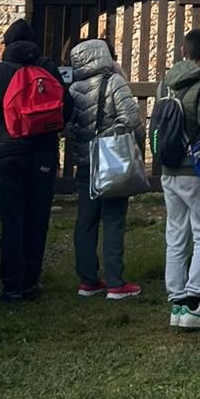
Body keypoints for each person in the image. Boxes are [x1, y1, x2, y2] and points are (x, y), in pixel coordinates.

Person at [0, 19, 71, 303]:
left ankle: (11, 285)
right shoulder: (49, 69)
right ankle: (31, 280)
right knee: (38, 216)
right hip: (43, 152)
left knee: (12, 217)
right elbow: (66, 109)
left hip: (8, 152)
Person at [160, 28, 200, 328]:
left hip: (169, 170)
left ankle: (176, 302)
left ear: (182, 51)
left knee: (175, 235)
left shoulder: (165, 85)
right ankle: (194, 302)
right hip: (196, 171)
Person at [69, 39, 144, 300]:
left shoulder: (74, 88)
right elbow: (131, 117)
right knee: (113, 219)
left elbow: (70, 124)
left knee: (86, 221)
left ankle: (88, 280)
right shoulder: (114, 82)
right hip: (110, 160)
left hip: (84, 160)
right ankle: (115, 282)